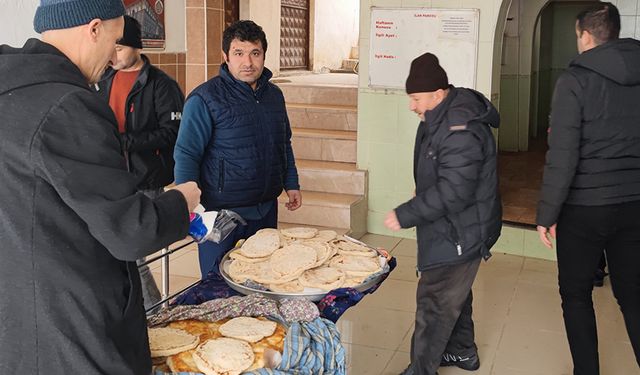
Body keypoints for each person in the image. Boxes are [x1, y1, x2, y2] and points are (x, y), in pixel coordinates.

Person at [0, 1, 201, 374]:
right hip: (70, 326)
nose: (113, 56)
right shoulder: (68, 105)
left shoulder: (13, 88)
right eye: (113, 39)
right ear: (94, 29)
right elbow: (130, 231)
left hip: (18, 319)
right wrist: (181, 201)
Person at [536, 3, 640, 374]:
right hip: (634, 204)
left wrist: (547, 214)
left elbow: (562, 156)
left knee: (576, 295)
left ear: (585, 35)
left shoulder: (574, 80)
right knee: (633, 296)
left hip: (585, 207)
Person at [384, 52, 502, 375]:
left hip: (460, 231)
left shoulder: (460, 126)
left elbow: (454, 192)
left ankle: (420, 370)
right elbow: (442, 168)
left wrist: (406, 213)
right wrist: (422, 188)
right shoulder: (441, 113)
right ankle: (463, 352)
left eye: (416, 98)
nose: (412, 106)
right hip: (456, 226)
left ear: (438, 94)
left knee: (434, 304)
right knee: (454, 293)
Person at [174, 20, 301, 278]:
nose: (248, 63)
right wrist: (188, 207)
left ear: (264, 55)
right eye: (239, 53)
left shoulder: (274, 96)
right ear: (225, 57)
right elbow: (187, 153)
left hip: (265, 210)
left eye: (255, 53)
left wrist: (291, 183)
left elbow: (283, 143)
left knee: (262, 284)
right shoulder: (204, 99)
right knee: (218, 290)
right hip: (221, 215)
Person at [95, 15, 185, 311]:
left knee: (136, 251)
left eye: (119, 48)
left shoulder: (161, 84)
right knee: (116, 247)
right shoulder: (104, 79)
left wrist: (126, 142)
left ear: (135, 46)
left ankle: (154, 310)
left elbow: (172, 132)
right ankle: (135, 306)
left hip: (146, 177)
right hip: (111, 175)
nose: (113, 54)